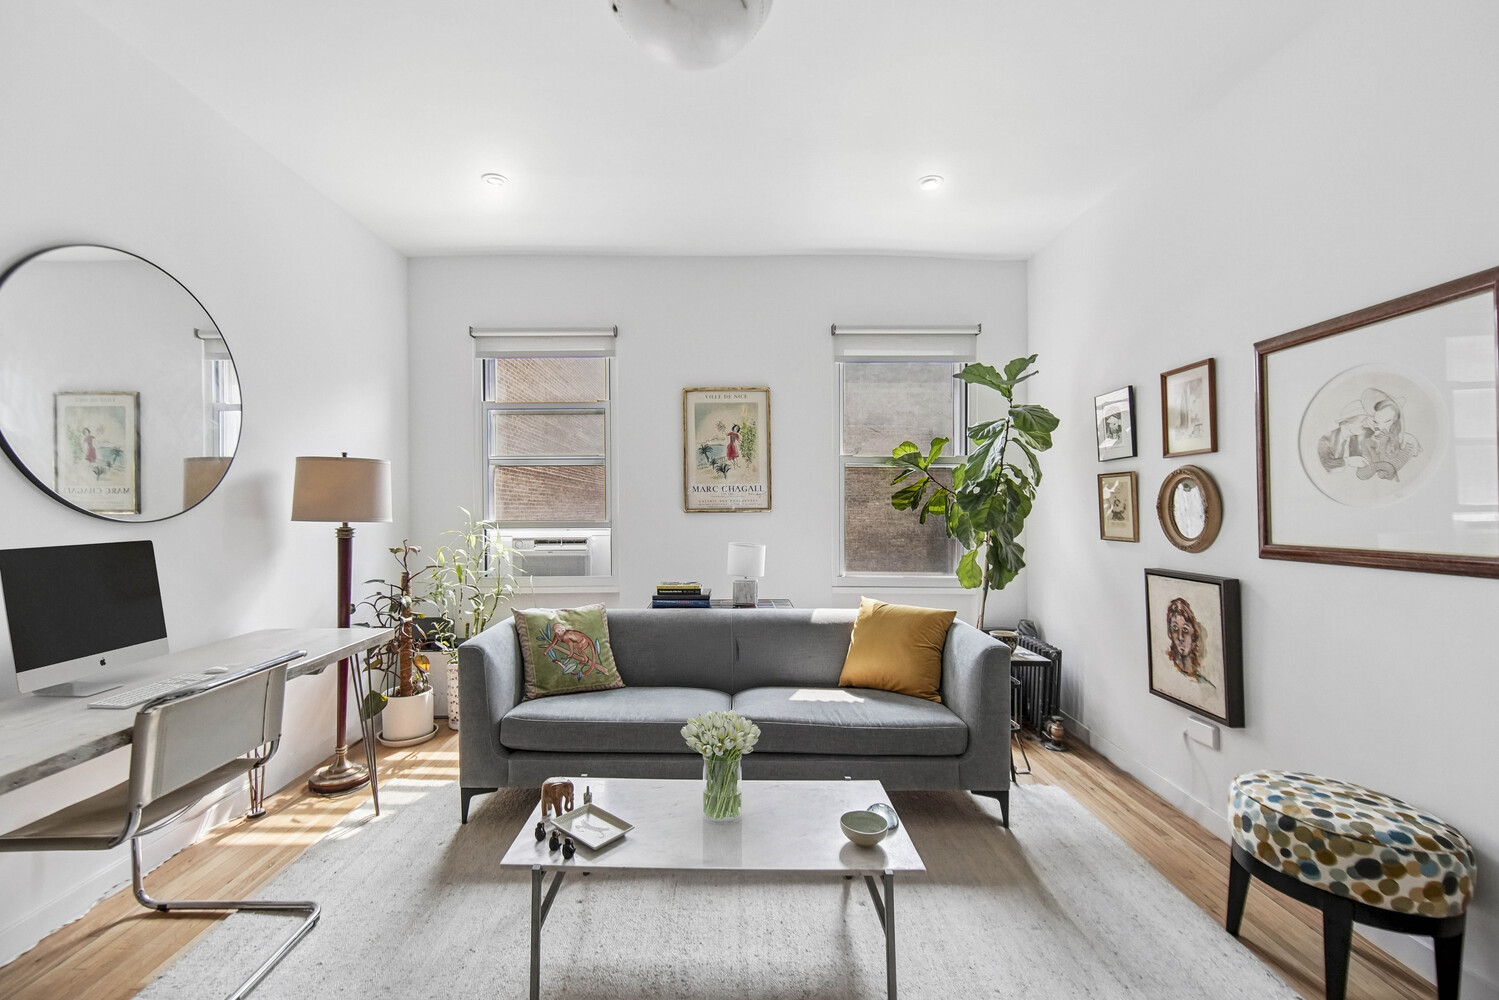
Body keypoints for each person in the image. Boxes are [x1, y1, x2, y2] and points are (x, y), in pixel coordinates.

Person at [1164, 597, 1209, 684]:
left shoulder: (1203, 682)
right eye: (1175, 628)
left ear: (1194, 634)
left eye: (1185, 629)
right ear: (1170, 633)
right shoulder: (1166, 671)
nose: (1180, 637)